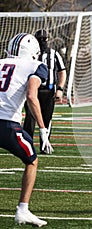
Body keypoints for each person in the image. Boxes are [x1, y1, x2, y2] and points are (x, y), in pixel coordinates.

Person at [0, 33, 52, 226]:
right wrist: (42, 128)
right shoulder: (35, 66)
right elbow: (31, 95)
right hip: (7, 125)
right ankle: (23, 209)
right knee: (31, 160)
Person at [23, 29, 67, 154]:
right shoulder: (30, 56)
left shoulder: (54, 54)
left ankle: (45, 145)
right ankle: (27, 146)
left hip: (48, 91)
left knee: (47, 119)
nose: (42, 42)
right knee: (30, 119)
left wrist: (60, 89)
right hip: (33, 91)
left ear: (47, 40)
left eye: (44, 39)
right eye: (39, 39)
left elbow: (62, 71)